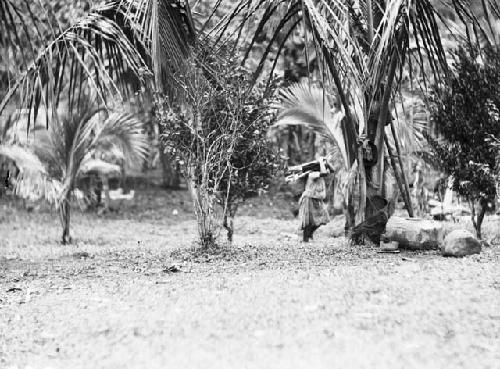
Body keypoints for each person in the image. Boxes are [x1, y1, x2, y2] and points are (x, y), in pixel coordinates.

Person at [296, 157, 332, 242]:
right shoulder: (313, 174)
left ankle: (309, 234)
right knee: (308, 220)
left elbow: (332, 170)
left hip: (317, 199)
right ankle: (305, 239)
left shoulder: (319, 173)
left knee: (323, 217)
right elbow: (324, 173)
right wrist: (320, 161)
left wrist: (327, 161)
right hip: (309, 198)